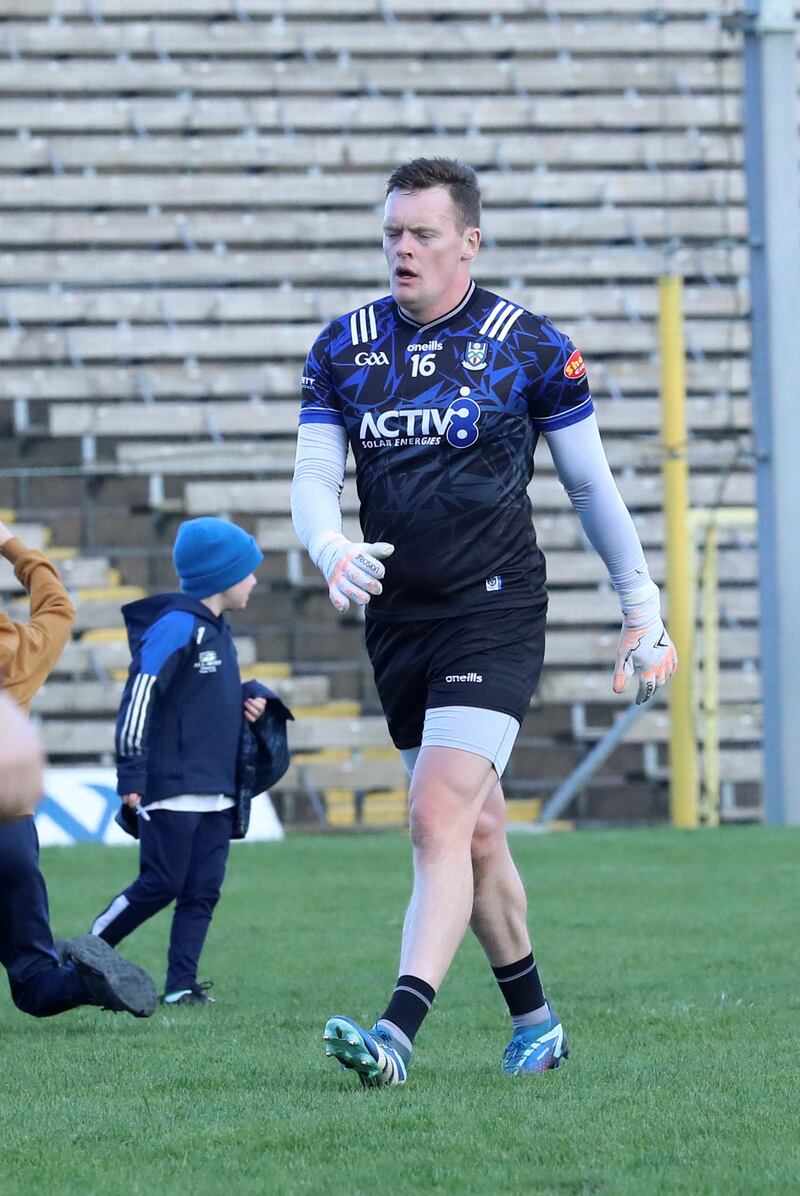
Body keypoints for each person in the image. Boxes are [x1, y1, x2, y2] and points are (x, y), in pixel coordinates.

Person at [291, 157, 678, 1085]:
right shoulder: (343, 347)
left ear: (469, 240)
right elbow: (313, 480)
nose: (403, 250)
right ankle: (537, 1025)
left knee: (433, 818)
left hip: (494, 610)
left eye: (422, 233)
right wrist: (331, 549)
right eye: (392, 233)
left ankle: (394, 1036)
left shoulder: (530, 345)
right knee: (478, 831)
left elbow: (589, 486)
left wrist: (643, 609)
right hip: (400, 623)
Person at [89, 517, 268, 1007]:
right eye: (248, 570)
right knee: (161, 883)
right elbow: (141, 693)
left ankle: (181, 987)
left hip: (214, 787)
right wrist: (131, 772)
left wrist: (249, 697)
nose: (255, 579)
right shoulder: (176, 624)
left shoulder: (216, 629)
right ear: (223, 576)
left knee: (202, 890)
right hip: (169, 785)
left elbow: (202, 695)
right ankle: (88, 952)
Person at [0, 520, 157, 1019]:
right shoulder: (14, 651)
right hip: (11, 832)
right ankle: (87, 985)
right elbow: (58, 607)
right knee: (33, 980)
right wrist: (12, 547)